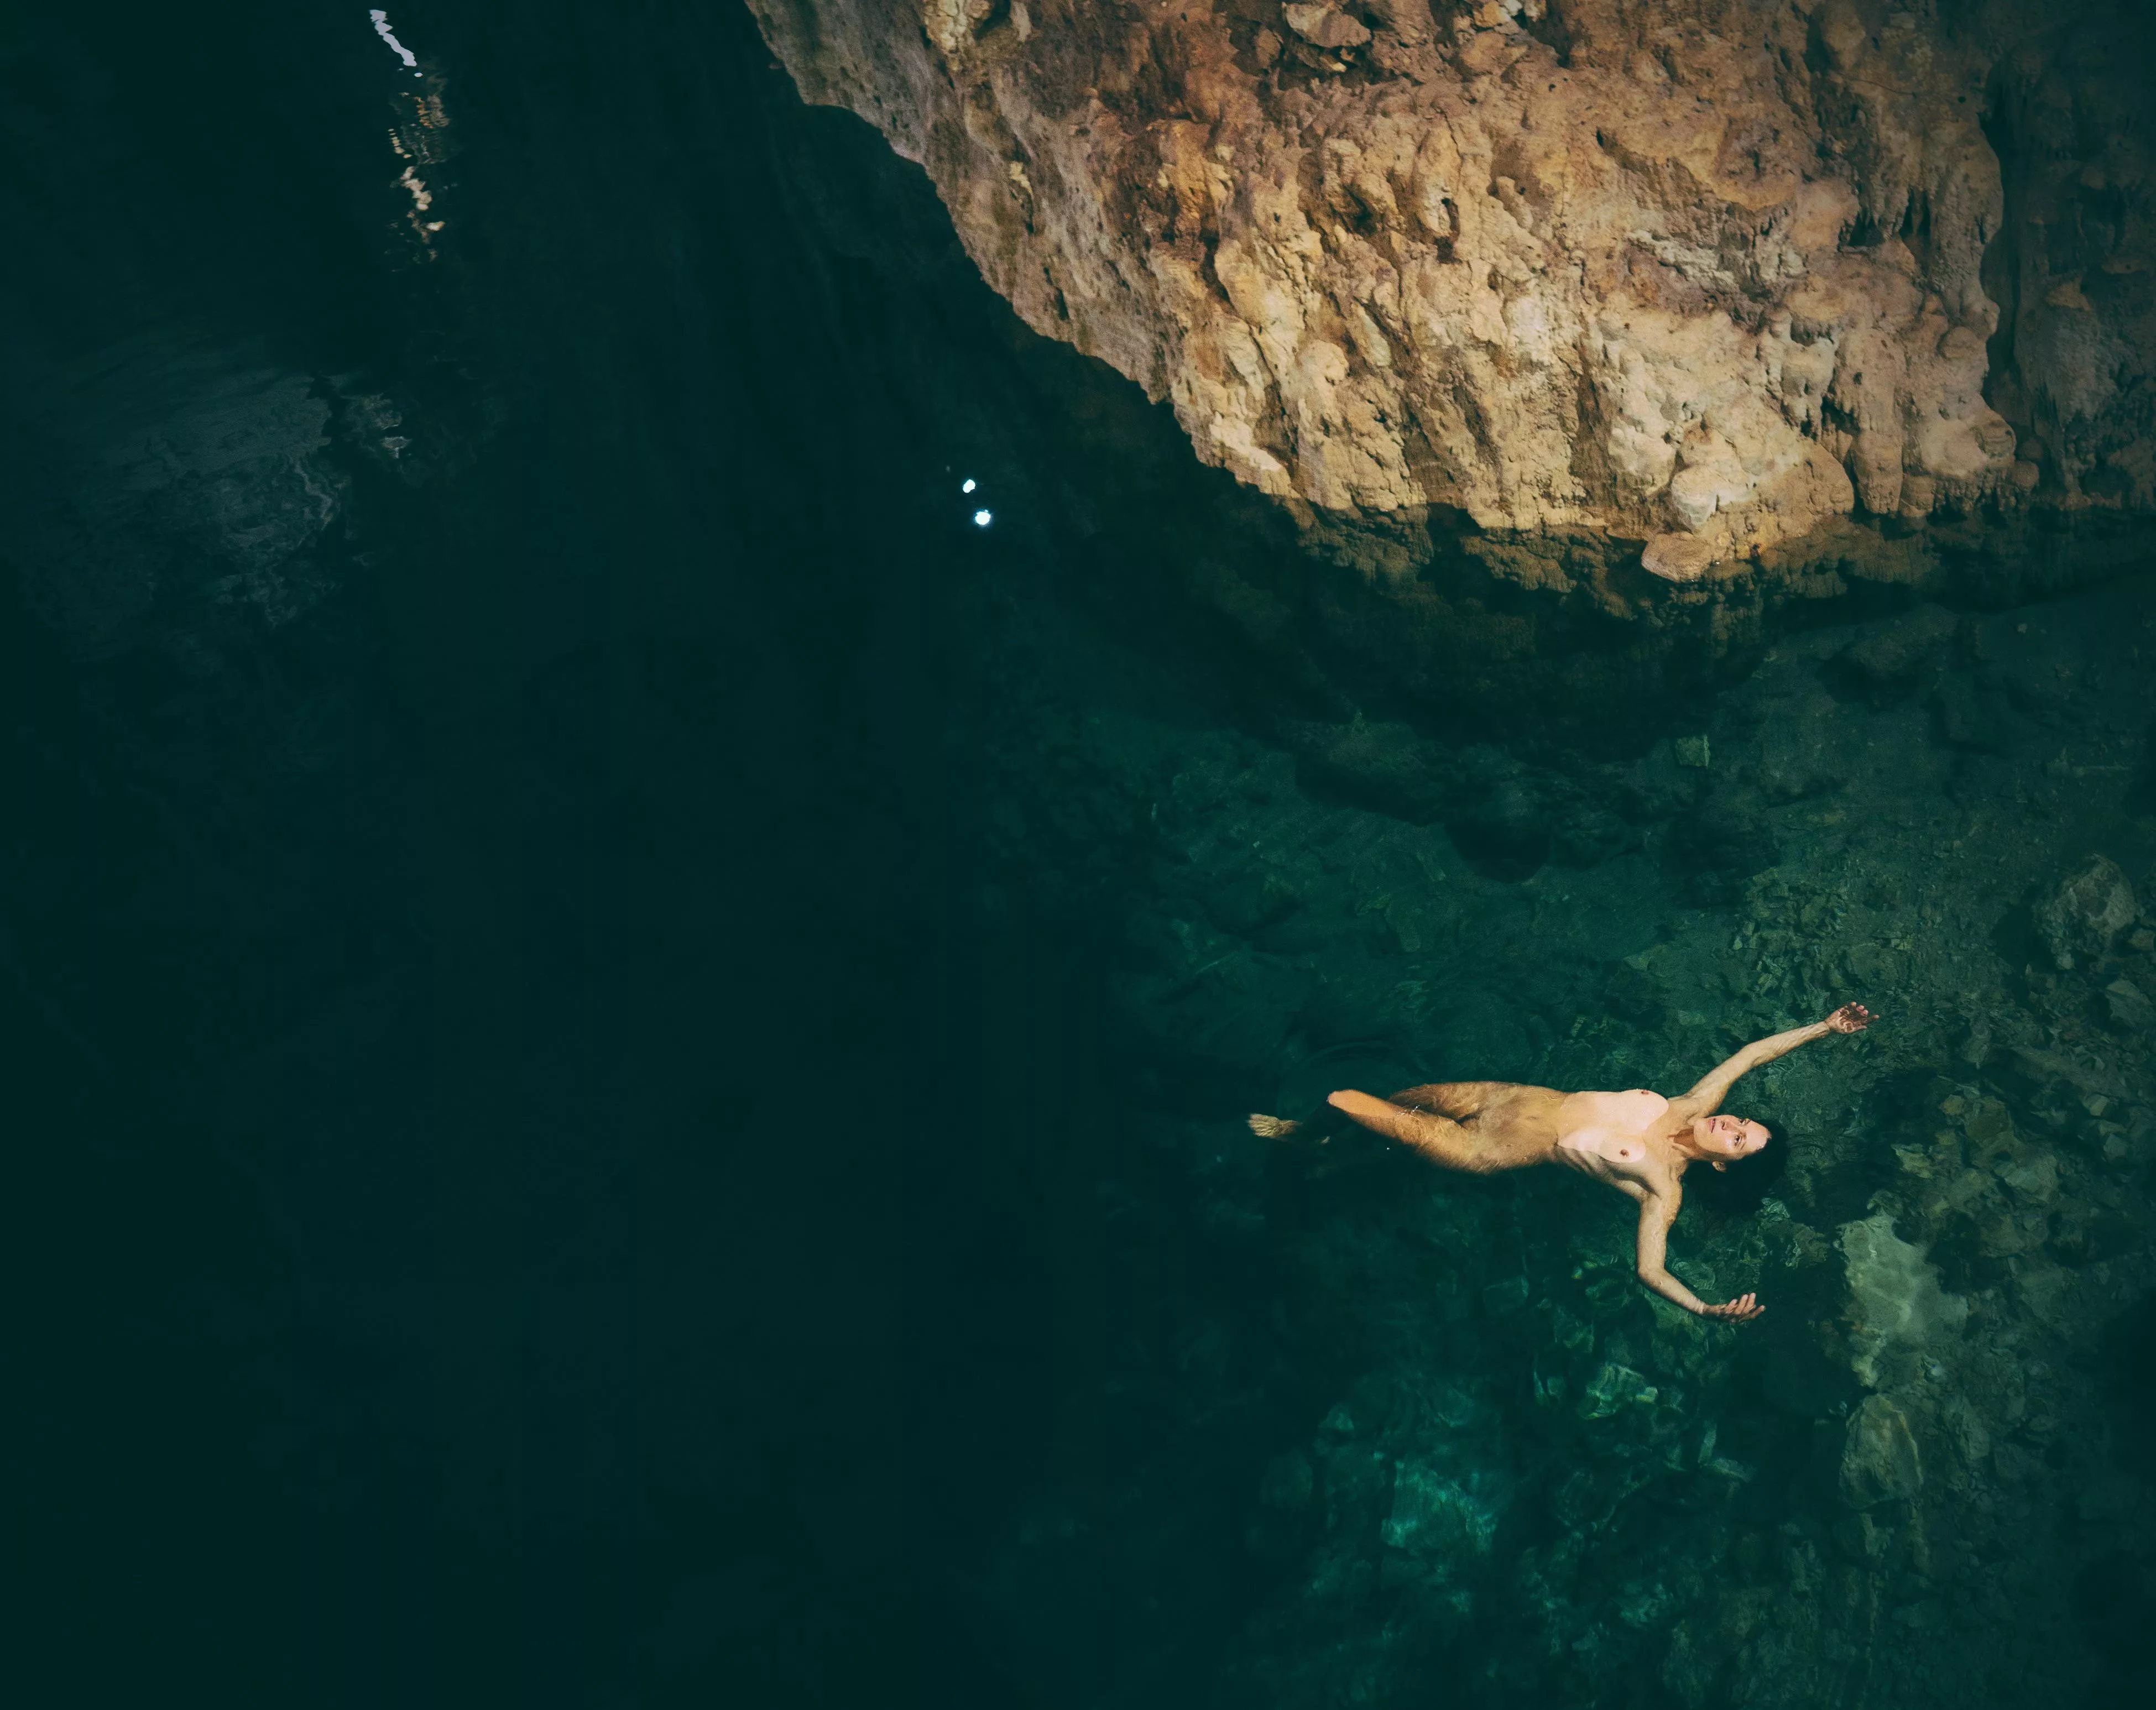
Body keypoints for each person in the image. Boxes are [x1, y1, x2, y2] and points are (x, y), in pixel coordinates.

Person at [1248, 1004, 1875, 1322]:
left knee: (1346, 1099)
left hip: (1484, 1150)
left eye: (1737, 1141)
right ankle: (1331, 1151)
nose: (1729, 1125)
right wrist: (1823, 1028)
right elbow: (1751, 1055)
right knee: (1393, 1102)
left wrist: (1705, 1309)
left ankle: (1308, 1142)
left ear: (1722, 1167)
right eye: (1741, 1122)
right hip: (1499, 1095)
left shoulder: (1661, 1187)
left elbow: (1650, 1269)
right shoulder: (1693, 1104)